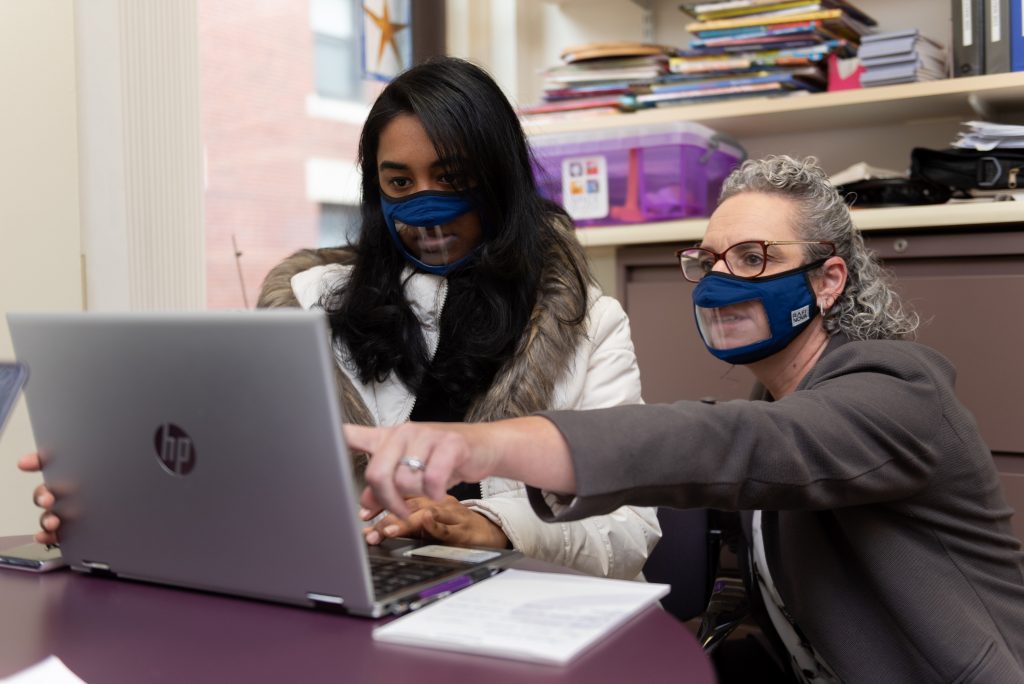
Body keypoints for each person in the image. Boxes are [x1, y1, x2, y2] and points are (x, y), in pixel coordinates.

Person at [346, 156, 1024, 682]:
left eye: (754, 258)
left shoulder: (899, 389)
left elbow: (736, 444)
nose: (721, 282)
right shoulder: (782, 400)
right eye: (708, 263)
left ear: (828, 281)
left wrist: (483, 448)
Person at [18, 56, 660, 581]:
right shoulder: (308, 306)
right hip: (339, 604)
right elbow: (242, 483)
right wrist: (122, 512)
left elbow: (632, 531)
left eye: (452, 176)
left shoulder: (585, 324)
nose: (424, 206)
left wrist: (496, 527)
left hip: (518, 612)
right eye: (399, 183)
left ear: (501, 181)